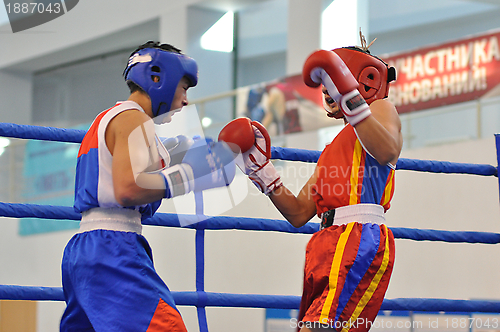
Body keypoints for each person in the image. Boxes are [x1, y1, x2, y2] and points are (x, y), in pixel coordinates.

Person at [60, 41, 236, 331]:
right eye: (184, 88)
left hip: (88, 249)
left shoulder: (113, 119)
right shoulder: (132, 119)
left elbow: (152, 164)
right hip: (112, 248)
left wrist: (216, 157)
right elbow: (129, 188)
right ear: (158, 78)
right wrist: (193, 176)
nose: (185, 101)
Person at [234, 43, 401, 331]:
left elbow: (387, 151)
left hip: (358, 239)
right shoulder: (332, 150)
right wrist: (262, 171)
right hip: (325, 244)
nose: (326, 88)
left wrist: (350, 98)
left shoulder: (381, 109)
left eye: (332, 78)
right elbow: (298, 213)